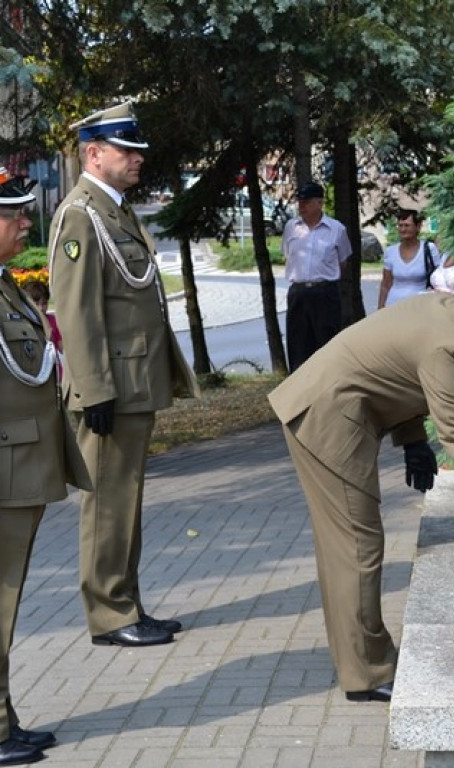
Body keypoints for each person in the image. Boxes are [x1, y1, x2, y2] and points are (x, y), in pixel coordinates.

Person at [269, 265, 454, 702]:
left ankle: (360, 656)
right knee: (356, 545)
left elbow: (399, 371)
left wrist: (413, 442)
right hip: (327, 420)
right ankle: (366, 674)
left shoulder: (448, 311)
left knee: (347, 546)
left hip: (331, 409)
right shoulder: (452, 346)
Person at [48, 102, 199, 648]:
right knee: (108, 503)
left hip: (133, 382)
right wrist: (93, 390)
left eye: (138, 150)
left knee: (126, 500)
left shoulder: (113, 209)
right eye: (127, 150)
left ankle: (127, 601)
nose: (138, 159)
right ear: (94, 153)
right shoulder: (80, 216)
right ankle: (110, 615)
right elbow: (77, 312)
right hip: (109, 387)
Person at [0, 169, 90, 765]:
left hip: (20, 464)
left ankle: (4, 719)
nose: (26, 222)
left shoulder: (4, 283)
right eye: (14, 214)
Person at [282, 181, 353, 372]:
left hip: (325, 293)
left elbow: (342, 262)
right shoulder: (291, 227)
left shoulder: (336, 229)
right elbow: (288, 255)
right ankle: (298, 389)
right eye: (300, 201)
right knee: (297, 344)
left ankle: (328, 386)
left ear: (319, 203)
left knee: (326, 343)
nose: (301, 206)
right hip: (298, 292)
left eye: (307, 201)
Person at [377, 209, 443, 308]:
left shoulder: (429, 249)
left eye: (407, 225)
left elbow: (439, 279)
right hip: (394, 305)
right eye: (400, 225)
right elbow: (386, 284)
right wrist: (381, 307)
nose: (403, 229)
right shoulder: (391, 251)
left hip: (420, 306)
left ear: (418, 226)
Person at [21, 280, 62, 381]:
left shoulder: (53, 321)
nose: (41, 308)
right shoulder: (23, 323)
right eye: (36, 303)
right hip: (33, 373)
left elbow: (62, 347)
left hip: (54, 373)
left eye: (44, 303)